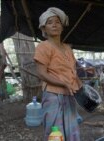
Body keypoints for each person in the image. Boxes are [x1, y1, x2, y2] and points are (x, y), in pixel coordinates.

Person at [33, 7, 82, 141]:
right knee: (55, 133)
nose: (54, 25)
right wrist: (64, 83)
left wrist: (80, 86)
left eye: (57, 22)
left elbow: (72, 71)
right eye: (49, 22)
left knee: (72, 131)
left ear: (62, 26)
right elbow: (42, 74)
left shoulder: (67, 48)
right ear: (44, 28)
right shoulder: (43, 47)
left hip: (70, 94)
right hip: (53, 96)